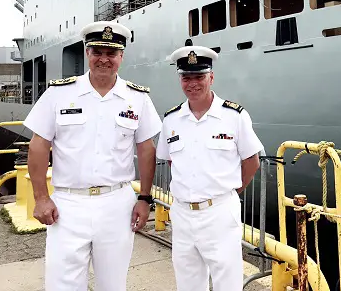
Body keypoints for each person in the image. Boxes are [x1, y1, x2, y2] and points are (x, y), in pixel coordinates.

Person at [24, 21, 162, 291]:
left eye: (111, 53)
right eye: (97, 51)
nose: (104, 59)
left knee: (113, 284)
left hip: (117, 205)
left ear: (121, 56)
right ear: (87, 53)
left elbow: (146, 149)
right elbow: (38, 145)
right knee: (61, 285)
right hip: (67, 206)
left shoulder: (138, 98)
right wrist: (41, 197)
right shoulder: (59, 93)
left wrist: (145, 198)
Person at [156, 45, 263, 291]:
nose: (192, 83)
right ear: (180, 79)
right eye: (186, 77)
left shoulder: (234, 116)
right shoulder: (171, 119)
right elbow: (173, 162)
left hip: (219, 214)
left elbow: (252, 161)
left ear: (211, 77)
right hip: (182, 214)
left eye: (199, 77)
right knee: (188, 283)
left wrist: (229, 193)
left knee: (228, 283)